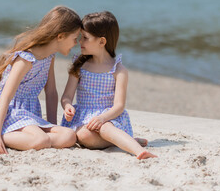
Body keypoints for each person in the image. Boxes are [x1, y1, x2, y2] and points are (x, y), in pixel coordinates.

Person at [0, 6, 82, 154]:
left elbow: (51, 92)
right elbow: (5, 97)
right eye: (75, 38)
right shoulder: (25, 59)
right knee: (41, 140)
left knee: (69, 136)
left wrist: (51, 125)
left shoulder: (49, 57)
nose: (76, 43)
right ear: (60, 36)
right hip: (9, 110)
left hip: (27, 113)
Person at [61, 11, 157, 159]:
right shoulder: (79, 66)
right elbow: (67, 96)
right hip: (82, 118)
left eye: (85, 38)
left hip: (109, 118)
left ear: (102, 42)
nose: (80, 41)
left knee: (105, 129)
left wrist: (102, 118)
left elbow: (119, 106)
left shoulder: (118, 71)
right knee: (84, 135)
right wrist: (67, 106)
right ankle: (123, 141)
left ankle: (138, 151)